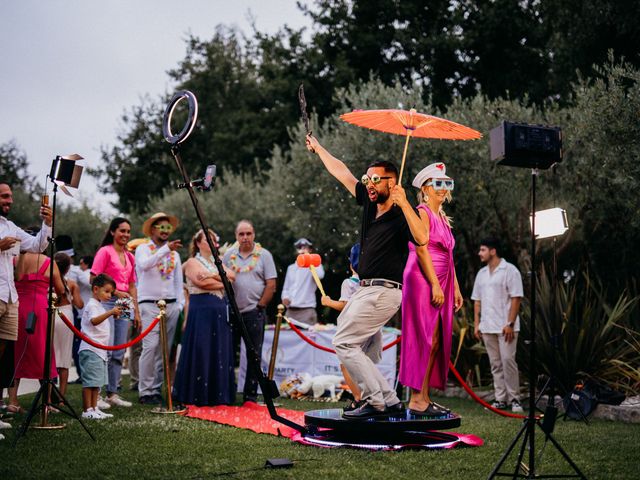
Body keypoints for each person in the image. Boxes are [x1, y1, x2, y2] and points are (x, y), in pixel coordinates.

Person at [306, 134, 428, 419]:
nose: (369, 184)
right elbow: (342, 172)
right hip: (365, 290)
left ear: (391, 183)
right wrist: (320, 147)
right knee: (354, 346)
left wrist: (406, 203)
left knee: (344, 342)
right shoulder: (369, 204)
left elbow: (422, 238)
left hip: (384, 291)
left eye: (376, 180)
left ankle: (375, 402)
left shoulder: (401, 214)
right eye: (368, 178)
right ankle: (390, 399)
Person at [398, 163, 464, 416]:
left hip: (443, 279)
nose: (444, 188)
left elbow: (449, 256)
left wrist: (455, 288)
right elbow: (421, 248)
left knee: (435, 340)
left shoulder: (443, 218)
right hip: (422, 278)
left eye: (447, 183)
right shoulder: (422, 212)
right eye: (438, 183)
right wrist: (435, 284)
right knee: (423, 337)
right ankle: (416, 399)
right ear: (425, 188)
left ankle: (423, 397)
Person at [0, 183, 52, 399]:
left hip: (10, 297)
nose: (10, 201)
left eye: (10, 197)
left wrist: (47, 223)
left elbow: (37, 245)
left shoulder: (10, 225)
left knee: (3, 358)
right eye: (4, 197)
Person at [173, 229, 236, 406]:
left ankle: (219, 394)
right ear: (198, 243)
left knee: (219, 349)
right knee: (202, 347)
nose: (211, 242)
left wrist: (212, 275)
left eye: (213, 239)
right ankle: (198, 393)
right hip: (201, 309)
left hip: (219, 311)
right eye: (207, 239)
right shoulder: (193, 261)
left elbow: (232, 277)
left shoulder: (217, 261)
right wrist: (221, 281)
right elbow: (200, 281)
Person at [222, 220, 277, 403]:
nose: (245, 237)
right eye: (241, 234)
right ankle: (228, 394)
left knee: (254, 356)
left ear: (254, 234)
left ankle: (250, 397)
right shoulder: (228, 256)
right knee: (228, 354)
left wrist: (260, 306)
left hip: (255, 311)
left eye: (248, 233)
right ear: (236, 236)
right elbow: (221, 281)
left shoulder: (264, 255)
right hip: (232, 312)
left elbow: (271, 285)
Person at [7, 241, 65, 412]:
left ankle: (12, 401)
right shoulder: (48, 262)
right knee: (43, 352)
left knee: (15, 352)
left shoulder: (14, 260)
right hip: (39, 309)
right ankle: (46, 402)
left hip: (17, 307)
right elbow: (60, 289)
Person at [135, 212, 184, 405]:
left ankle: (157, 389)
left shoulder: (175, 254)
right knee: (150, 346)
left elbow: (179, 282)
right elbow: (144, 265)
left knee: (165, 349)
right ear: (153, 229)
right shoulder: (142, 248)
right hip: (149, 304)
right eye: (161, 227)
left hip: (171, 304)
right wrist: (164, 250)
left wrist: (179, 305)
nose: (165, 231)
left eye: (168, 228)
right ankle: (145, 391)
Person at [90, 217, 140, 408]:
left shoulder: (130, 256)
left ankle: (113, 392)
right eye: (122, 231)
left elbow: (133, 285)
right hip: (107, 301)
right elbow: (93, 278)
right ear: (112, 232)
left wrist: (135, 310)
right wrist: (113, 291)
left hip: (125, 303)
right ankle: (98, 394)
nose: (126, 235)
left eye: (128, 231)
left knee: (119, 349)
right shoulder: (105, 252)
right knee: (106, 347)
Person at [472, 237, 524, 413]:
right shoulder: (481, 274)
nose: (480, 253)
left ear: (493, 251)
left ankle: (515, 399)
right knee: (495, 364)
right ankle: (500, 399)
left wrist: (509, 323)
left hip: (506, 327)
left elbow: (516, 297)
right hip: (488, 327)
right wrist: (477, 325)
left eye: (483, 250)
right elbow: (477, 301)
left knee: (508, 361)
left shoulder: (510, 270)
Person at [320, 243, 365, 406]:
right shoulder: (369, 283)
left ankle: (359, 398)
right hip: (366, 327)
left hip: (350, 328)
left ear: (350, 263)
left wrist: (328, 302)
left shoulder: (349, 283)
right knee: (362, 364)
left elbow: (344, 305)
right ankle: (365, 397)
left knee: (346, 365)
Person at [79, 273, 121, 419]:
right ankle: (87, 410)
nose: (110, 295)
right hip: (90, 349)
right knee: (89, 381)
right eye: (107, 291)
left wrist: (111, 314)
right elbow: (94, 321)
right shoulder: (91, 305)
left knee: (96, 382)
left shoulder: (100, 306)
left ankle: (94, 408)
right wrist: (111, 312)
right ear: (95, 289)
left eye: (111, 292)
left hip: (99, 350)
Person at [53, 252, 84, 399]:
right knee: (64, 358)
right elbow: (79, 304)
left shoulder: (47, 282)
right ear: (67, 268)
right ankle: (61, 397)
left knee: (50, 356)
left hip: (51, 316)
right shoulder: (71, 284)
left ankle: (47, 397)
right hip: (66, 317)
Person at [281, 238, 325, 325]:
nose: (302, 250)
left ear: (310, 250)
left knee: (306, 338)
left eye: (305, 247)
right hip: (290, 311)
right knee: (288, 338)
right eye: (299, 247)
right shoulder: (291, 268)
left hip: (307, 311)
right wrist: (285, 297)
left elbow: (320, 275)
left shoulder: (315, 264)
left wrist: (309, 259)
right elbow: (286, 288)